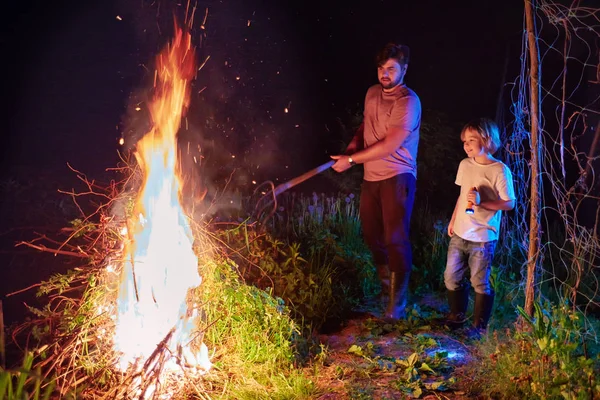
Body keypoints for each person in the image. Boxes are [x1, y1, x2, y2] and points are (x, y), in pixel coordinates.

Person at [331, 43, 421, 320]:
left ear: (404, 70)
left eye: (391, 69)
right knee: (372, 235)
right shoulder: (372, 93)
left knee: (396, 238)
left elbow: (390, 144)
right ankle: (386, 294)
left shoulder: (407, 101)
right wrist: (351, 148)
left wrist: (353, 161)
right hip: (371, 177)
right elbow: (365, 126)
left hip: (398, 175)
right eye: (381, 68)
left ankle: (397, 306)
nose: (385, 74)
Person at [444, 118, 515, 335]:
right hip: (460, 231)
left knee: (479, 282)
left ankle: (479, 327)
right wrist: (453, 219)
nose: (466, 145)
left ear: (487, 140)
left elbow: (509, 203)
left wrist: (481, 203)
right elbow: (461, 194)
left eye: (471, 140)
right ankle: (457, 314)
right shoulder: (465, 165)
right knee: (451, 276)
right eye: (465, 141)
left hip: (483, 236)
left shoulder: (499, 170)